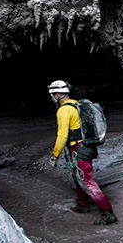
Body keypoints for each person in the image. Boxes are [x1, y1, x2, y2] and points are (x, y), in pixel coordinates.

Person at [47, 80, 117, 225]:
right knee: (77, 176)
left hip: (79, 150)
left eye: (53, 95)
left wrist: (55, 155)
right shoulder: (77, 104)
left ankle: (107, 213)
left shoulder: (64, 110)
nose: (52, 98)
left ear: (58, 94)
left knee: (87, 181)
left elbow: (62, 136)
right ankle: (82, 204)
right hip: (85, 147)